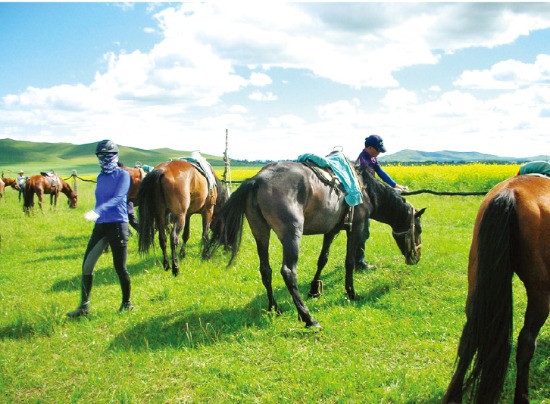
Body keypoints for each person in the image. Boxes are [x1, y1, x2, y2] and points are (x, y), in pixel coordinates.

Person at [67, 140, 133, 317]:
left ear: (116, 156)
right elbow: (101, 199)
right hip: (101, 225)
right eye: (101, 156)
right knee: (87, 265)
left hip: (118, 224)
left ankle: (127, 303)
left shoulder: (123, 176)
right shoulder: (100, 177)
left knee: (120, 267)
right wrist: (99, 214)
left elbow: (119, 198)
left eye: (109, 155)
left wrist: (98, 211)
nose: (105, 159)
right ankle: (84, 307)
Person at [354, 134, 408, 270]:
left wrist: (395, 185)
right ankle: (358, 262)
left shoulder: (371, 158)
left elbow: (381, 172)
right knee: (362, 231)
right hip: (361, 202)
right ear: (370, 148)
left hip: (367, 199)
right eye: (377, 150)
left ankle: (356, 259)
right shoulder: (362, 162)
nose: (378, 153)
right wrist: (392, 191)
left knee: (364, 232)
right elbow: (373, 184)